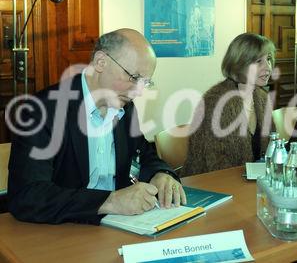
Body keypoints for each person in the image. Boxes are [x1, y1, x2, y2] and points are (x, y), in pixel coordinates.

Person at [8, 28, 186, 225]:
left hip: (118, 228)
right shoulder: (41, 111)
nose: (139, 92)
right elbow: (28, 196)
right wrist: (109, 202)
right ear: (101, 62)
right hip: (63, 232)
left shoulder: (125, 107)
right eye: (134, 78)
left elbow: (144, 153)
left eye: (145, 82)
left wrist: (160, 173)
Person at [181, 33, 274, 176]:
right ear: (240, 63)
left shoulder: (262, 97)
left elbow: (272, 148)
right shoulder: (215, 102)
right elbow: (214, 164)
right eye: (258, 61)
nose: (268, 67)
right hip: (211, 186)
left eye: (268, 59)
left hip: (252, 183)